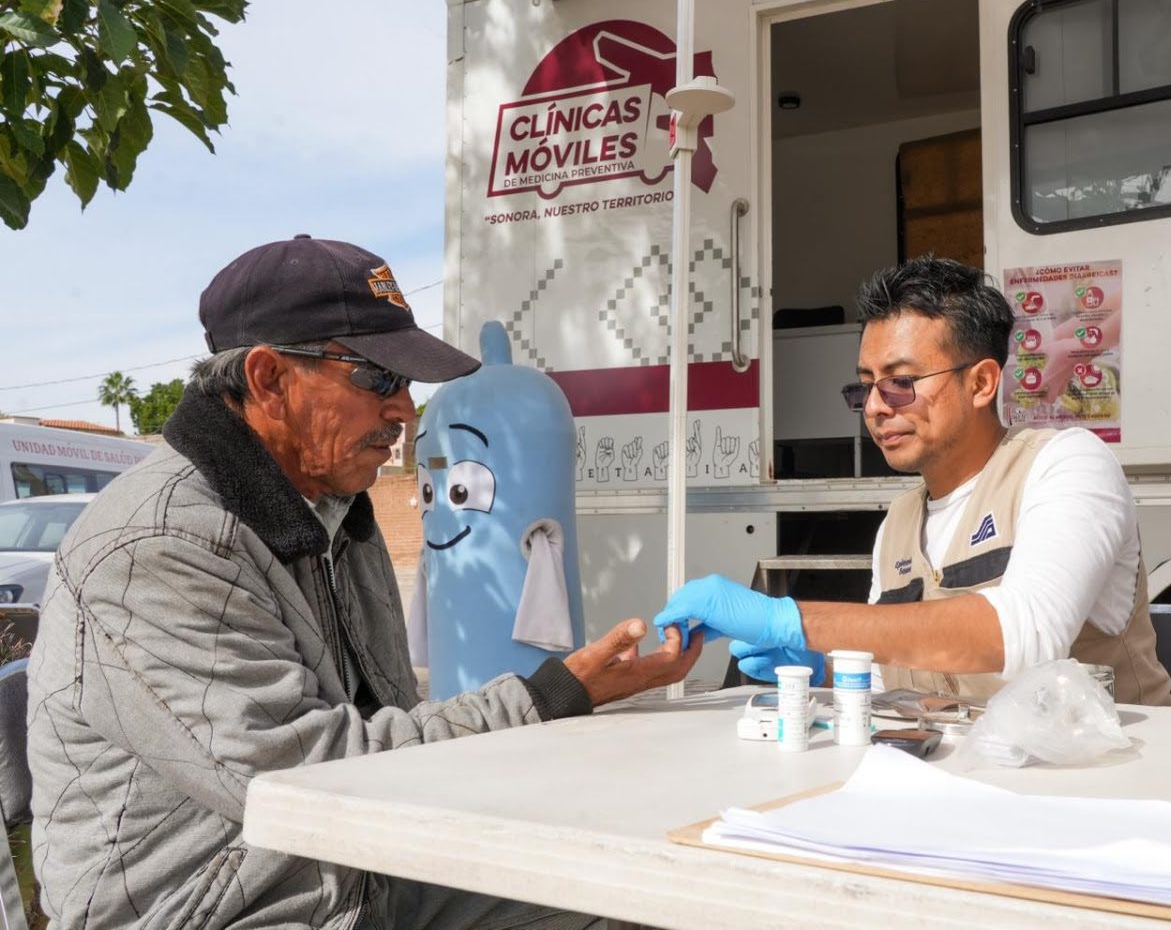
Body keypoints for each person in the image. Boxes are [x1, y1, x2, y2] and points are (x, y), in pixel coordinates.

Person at [25, 235, 701, 930]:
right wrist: (551, 695)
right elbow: (313, 778)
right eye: (378, 378)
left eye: (406, 384)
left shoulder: (335, 509)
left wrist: (562, 708)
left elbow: (384, 720)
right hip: (221, 906)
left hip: (354, 870)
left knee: (636, 892)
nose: (405, 410)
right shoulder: (158, 545)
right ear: (269, 379)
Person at [655, 256, 1171, 706]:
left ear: (981, 382)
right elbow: (895, 675)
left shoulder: (1065, 464)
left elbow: (1026, 634)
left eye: (901, 383)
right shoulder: (899, 523)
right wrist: (821, 668)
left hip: (1114, 773)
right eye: (865, 387)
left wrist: (789, 618)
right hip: (976, 776)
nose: (876, 408)